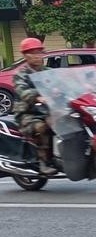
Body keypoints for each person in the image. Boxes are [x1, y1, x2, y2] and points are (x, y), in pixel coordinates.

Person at [11, 38, 57, 175]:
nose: (37, 56)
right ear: (25, 56)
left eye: (39, 52)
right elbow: (23, 92)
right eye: (33, 53)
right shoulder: (20, 75)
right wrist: (38, 96)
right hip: (27, 114)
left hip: (46, 111)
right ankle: (43, 161)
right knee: (42, 127)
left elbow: (62, 83)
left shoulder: (48, 71)